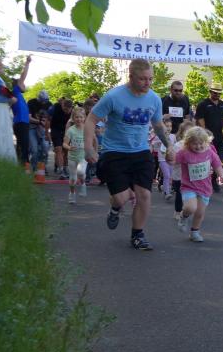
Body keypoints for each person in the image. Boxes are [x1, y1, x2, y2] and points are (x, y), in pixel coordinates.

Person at [84, 58, 172, 251]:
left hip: (141, 152)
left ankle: (138, 235)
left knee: (144, 195)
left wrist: (169, 146)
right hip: (114, 152)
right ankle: (115, 208)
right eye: (143, 79)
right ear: (130, 76)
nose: (147, 83)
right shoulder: (113, 96)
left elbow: (158, 125)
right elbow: (91, 119)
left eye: (150, 79)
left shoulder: (154, 99)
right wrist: (89, 147)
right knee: (121, 198)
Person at [175, 126, 223, 242]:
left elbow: (217, 164)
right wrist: (168, 157)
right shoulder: (184, 153)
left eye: (201, 143)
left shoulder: (209, 152)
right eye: (194, 144)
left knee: (199, 212)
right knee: (190, 207)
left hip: (205, 187)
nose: (198, 146)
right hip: (188, 186)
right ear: (188, 143)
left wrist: (222, 176)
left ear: (206, 142)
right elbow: (173, 160)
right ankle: (183, 216)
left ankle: (194, 232)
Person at [195, 83, 223, 192]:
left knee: (221, 158)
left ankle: (213, 178)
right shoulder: (203, 104)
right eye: (215, 93)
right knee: (206, 160)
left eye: (219, 93)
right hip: (207, 137)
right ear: (210, 92)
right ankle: (203, 181)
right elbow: (200, 119)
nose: (217, 95)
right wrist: (205, 133)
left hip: (219, 136)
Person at [10, 55, 33, 168]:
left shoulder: (20, 96)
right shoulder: (15, 90)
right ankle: (24, 167)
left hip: (23, 123)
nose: (24, 85)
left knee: (23, 145)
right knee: (24, 146)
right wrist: (27, 63)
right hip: (20, 123)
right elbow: (23, 76)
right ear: (18, 84)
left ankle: (21, 166)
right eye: (22, 83)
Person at [171, 120, 195, 220]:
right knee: (180, 194)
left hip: (191, 175)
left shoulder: (196, 145)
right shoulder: (178, 145)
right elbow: (174, 160)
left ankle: (187, 210)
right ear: (182, 133)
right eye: (186, 132)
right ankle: (177, 211)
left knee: (190, 194)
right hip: (179, 175)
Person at [63, 107, 87, 204]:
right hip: (72, 157)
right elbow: (64, 144)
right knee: (73, 178)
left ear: (84, 118)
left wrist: (94, 150)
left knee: (81, 172)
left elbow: (93, 140)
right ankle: (72, 194)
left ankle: (83, 184)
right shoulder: (71, 130)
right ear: (73, 118)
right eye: (76, 117)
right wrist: (69, 147)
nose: (79, 119)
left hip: (83, 157)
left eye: (81, 117)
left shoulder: (87, 129)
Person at [51, 98, 73, 178]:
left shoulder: (73, 112)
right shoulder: (56, 107)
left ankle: (65, 167)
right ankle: (61, 170)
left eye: (68, 110)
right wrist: (47, 133)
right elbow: (48, 119)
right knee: (58, 149)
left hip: (66, 131)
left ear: (71, 108)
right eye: (64, 109)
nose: (66, 111)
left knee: (66, 150)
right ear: (62, 106)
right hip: (55, 130)